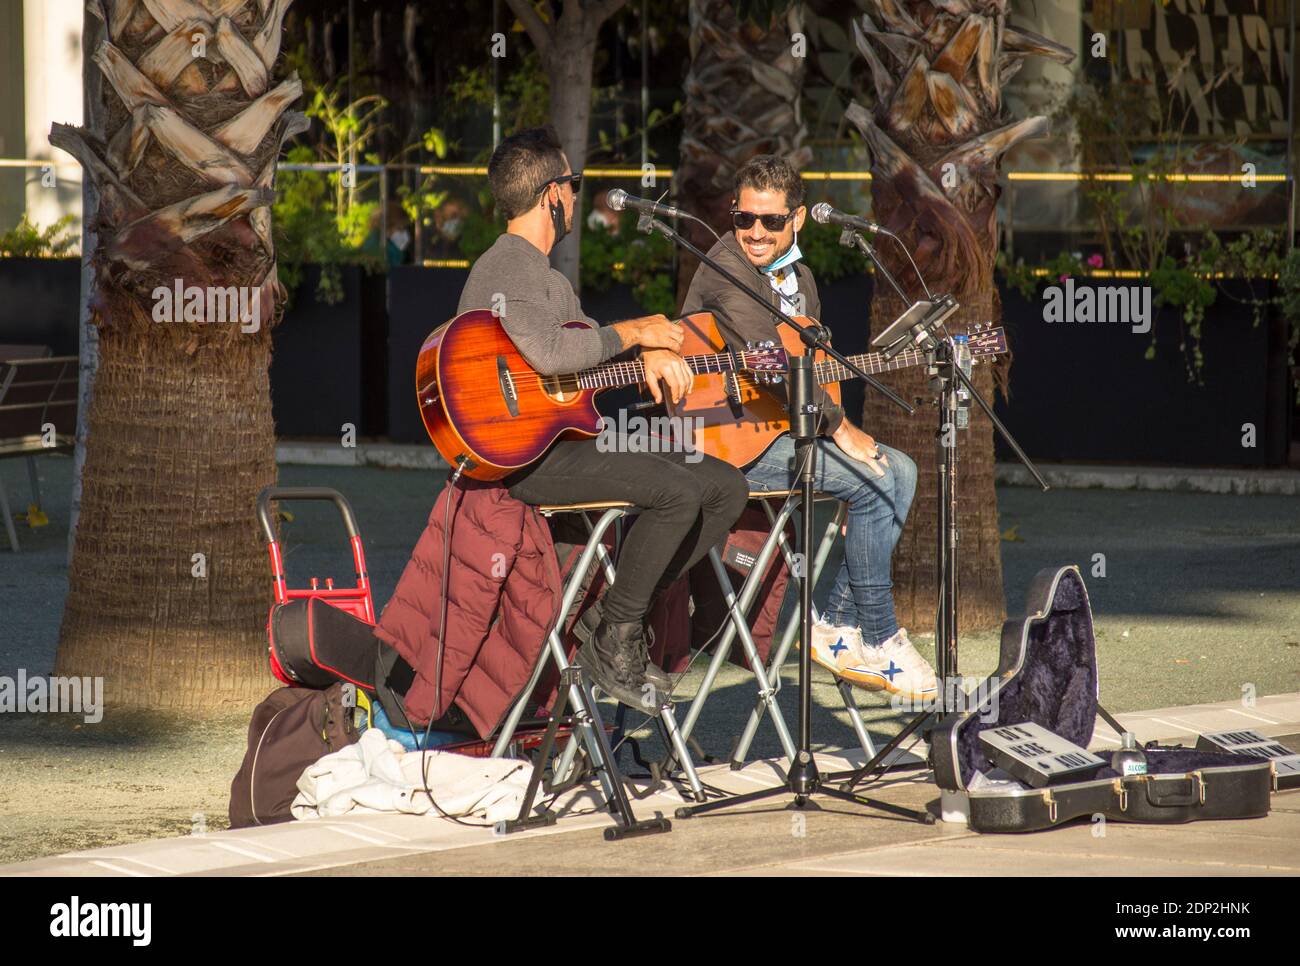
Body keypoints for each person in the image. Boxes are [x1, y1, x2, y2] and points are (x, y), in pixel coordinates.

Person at [457, 126, 748, 710]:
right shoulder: (509, 265)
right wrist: (637, 331)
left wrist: (646, 359)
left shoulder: (547, 278)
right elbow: (551, 354)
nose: (575, 195)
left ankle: (617, 618)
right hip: (526, 458)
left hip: (564, 439)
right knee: (676, 492)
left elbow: (583, 366)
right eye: (574, 184)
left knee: (723, 486)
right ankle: (614, 637)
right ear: (552, 195)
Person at [679, 154, 936, 702]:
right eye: (744, 217)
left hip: (781, 429)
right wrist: (839, 431)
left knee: (904, 470)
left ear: (795, 220)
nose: (754, 232)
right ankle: (881, 634)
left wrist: (834, 431)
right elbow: (768, 363)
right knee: (868, 480)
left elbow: (806, 363)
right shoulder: (722, 264)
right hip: (721, 441)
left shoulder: (801, 280)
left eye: (771, 221)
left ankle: (836, 624)